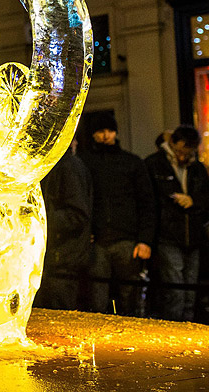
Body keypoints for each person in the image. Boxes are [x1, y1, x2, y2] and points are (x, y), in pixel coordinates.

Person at [78, 114, 155, 315]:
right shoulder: (127, 162)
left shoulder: (129, 162)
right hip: (106, 240)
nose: (106, 136)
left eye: (109, 131)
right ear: (94, 134)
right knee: (103, 297)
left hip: (121, 240)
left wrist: (144, 240)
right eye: (101, 131)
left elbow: (147, 203)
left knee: (124, 297)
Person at [145, 125, 209, 321]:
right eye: (180, 151)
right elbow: (149, 201)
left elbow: (206, 196)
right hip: (168, 235)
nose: (182, 157)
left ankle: (187, 330)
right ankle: (174, 329)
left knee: (189, 291)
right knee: (176, 292)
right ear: (172, 144)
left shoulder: (197, 168)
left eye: (187, 153)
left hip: (193, 236)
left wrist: (193, 201)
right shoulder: (154, 164)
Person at [35, 141, 92, 310]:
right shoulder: (58, 165)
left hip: (62, 259)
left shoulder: (67, 167)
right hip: (58, 258)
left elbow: (77, 215)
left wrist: (39, 219)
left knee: (57, 312)